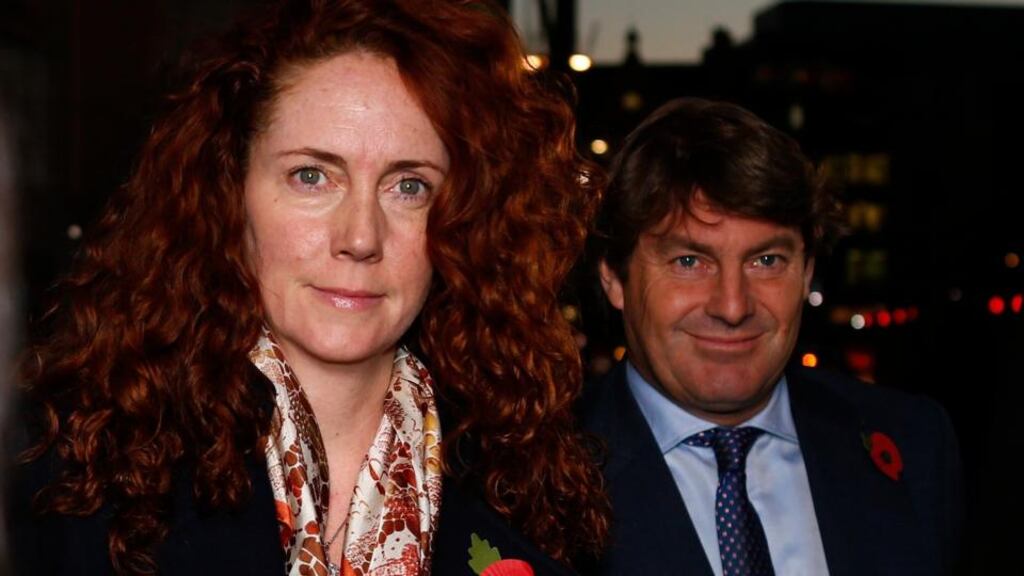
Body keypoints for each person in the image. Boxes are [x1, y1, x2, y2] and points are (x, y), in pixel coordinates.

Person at [4, 1, 609, 574]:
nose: (360, 236)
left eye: (409, 186)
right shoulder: (78, 472)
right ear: (229, 194)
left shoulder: (532, 489)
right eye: (311, 176)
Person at [580, 98, 962, 576]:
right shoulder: (526, 478)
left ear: (806, 273)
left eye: (767, 261)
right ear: (614, 278)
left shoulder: (915, 444)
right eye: (689, 262)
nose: (733, 306)